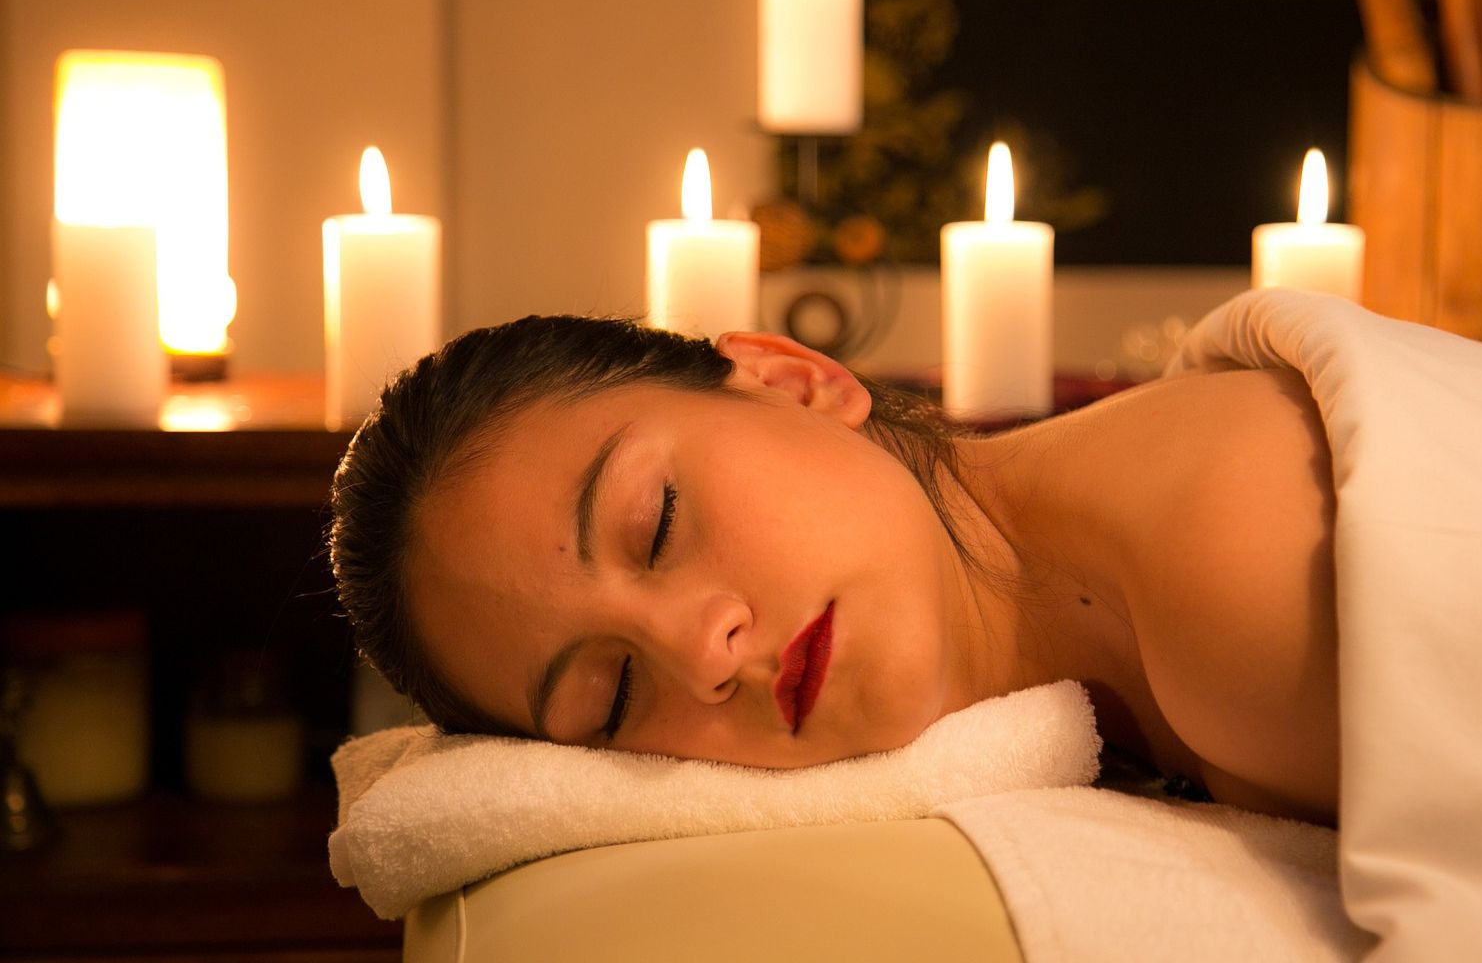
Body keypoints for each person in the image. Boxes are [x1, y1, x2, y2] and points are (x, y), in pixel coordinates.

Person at [329, 315, 1342, 828]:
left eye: (659, 523)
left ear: (793, 382)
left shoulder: (1234, 572)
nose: (700, 649)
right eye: (613, 694)